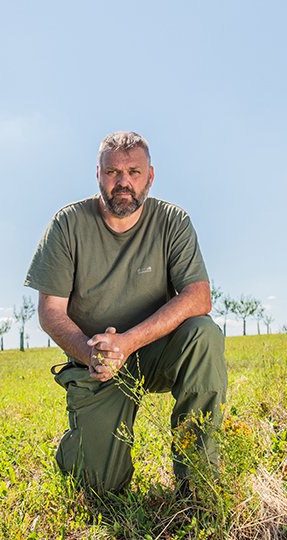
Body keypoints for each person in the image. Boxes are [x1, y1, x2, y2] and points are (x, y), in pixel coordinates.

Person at [24, 131, 227, 495]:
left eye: (134, 172)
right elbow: (50, 312)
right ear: (98, 175)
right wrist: (91, 353)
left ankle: (198, 482)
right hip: (96, 362)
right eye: (113, 172)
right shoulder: (67, 224)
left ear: (150, 176)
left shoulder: (173, 221)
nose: (123, 182)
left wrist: (129, 342)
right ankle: (78, 448)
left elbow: (198, 296)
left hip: (154, 351)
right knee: (100, 486)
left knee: (203, 333)